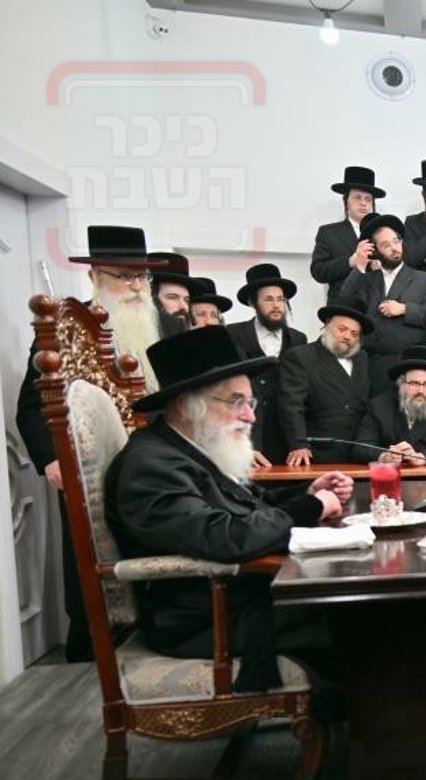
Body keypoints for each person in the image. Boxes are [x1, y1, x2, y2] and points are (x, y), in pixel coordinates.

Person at [105, 326, 352, 694]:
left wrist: (308, 492)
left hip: (238, 598)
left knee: (357, 605)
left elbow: (246, 504)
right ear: (188, 404)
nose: (250, 417)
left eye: (251, 403)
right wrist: (310, 508)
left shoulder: (188, 447)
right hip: (209, 619)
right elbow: (223, 536)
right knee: (358, 616)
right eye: (237, 402)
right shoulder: (151, 465)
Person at [14, 225, 172, 661]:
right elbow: (31, 406)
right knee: (88, 570)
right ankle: (91, 659)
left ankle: (155, 645)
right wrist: (52, 459)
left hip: (155, 468)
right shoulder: (65, 328)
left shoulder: (168, 323)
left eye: (141, 276)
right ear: (95, 276)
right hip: (90, 470)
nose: (136, 286)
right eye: (125, 276)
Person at [339, 212, 426, 394]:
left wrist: (405, 309)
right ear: (375, 250)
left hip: (411, 365)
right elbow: (344, 305)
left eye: (396, 241)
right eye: (386, 245)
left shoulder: (424, 279)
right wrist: (359, 266)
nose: (394, 248)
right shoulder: (366, 280)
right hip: (375, 365)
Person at [228, 262, 308, 465]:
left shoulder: (298, 339)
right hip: (248, 433)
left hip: (286, 437)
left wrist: (298, 441)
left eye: (281, 299)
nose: (276, 305)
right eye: (269, 299)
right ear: (253, 303)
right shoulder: (233, 334)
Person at [278, 304, 373, 466]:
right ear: (326, 327)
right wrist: (298, 444)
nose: (347, 336)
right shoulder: (301, 356)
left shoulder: (362, 358)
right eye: (342, 329)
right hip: (317, 452)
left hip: (357, 451)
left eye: (354, 333)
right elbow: (291, 405)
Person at [354, 345, 426, 464]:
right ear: (401, 384)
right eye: (414, 383)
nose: (421, 391)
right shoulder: (378, 406)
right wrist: (384, 456)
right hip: (391, 472)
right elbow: (361, 447)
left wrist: (422, 457)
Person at [310, 165, 382, 300]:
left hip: (376, 305)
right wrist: (350, 261)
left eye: (368, 199)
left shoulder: (383, 233)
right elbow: (318, 271)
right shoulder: (329, 232)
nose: (363, 203)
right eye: (357, 197)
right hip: (342, 305)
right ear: (346, 200)